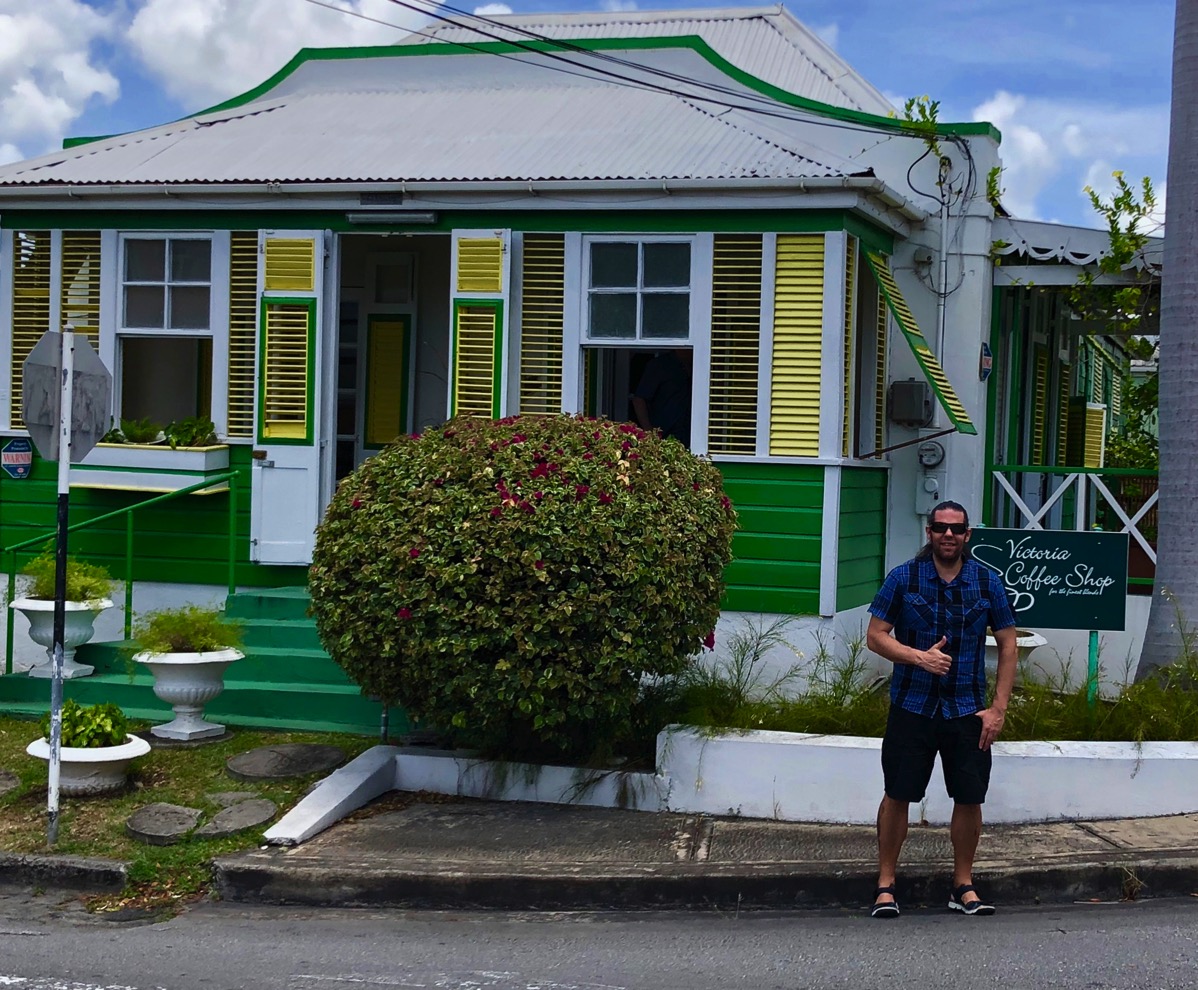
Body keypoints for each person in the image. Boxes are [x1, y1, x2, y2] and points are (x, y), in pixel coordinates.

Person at [865, 500, 1016, 919]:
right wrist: (919, 658)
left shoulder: (987, 581)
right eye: (940, 527)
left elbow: (1008, 643)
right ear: (929, 532)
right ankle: (885, 884)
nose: (948, 535)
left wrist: (998, 709)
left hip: (967, 710)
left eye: (956, 529)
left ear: (968, 535)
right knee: (898, 794)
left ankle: (963, 884)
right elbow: (876, 635)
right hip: (912, 706)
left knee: (969, 797)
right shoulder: (903, 578)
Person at [631, 348, 692, 446]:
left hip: (691, 436)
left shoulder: (699, 366)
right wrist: (649, 433)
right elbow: (639, 400)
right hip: (663, 435)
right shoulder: (660, 366)